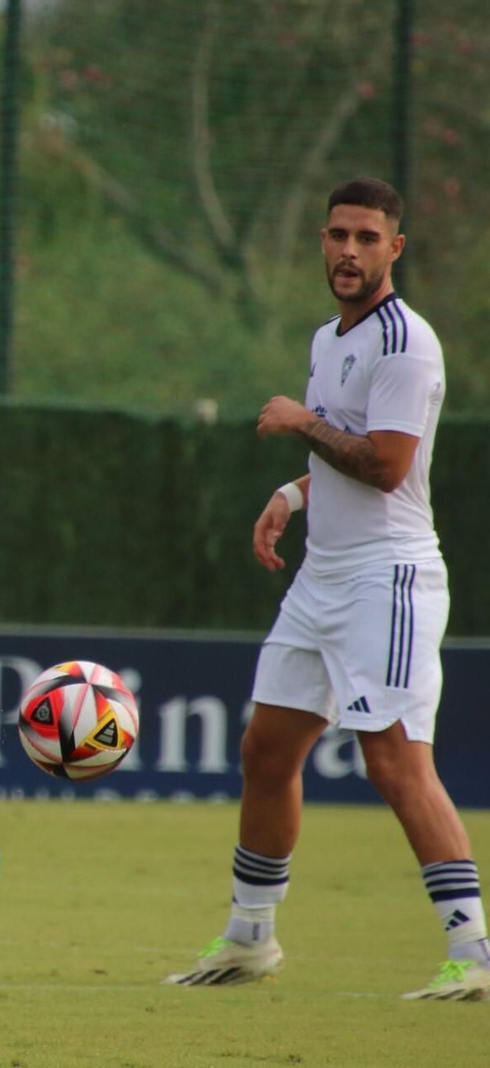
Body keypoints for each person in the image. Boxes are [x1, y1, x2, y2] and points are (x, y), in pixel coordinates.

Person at [165, 177, 489, 1002]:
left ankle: (475, 952)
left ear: (395, 249)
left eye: (367, 238)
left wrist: (299, 424)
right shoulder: (328, 338)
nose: (349, 251)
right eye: (338, 235)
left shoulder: (405, 343)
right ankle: (250, 938)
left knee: (394, 760)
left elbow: (386, 466)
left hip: (388, 577)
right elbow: (342, 456)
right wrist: (292, 493)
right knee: (267, 751)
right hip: (325, 577)